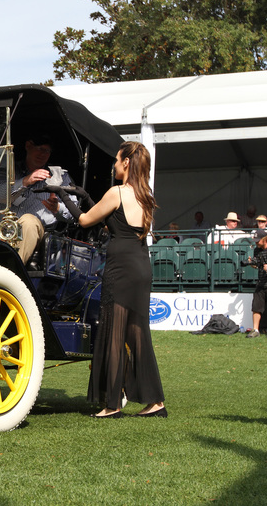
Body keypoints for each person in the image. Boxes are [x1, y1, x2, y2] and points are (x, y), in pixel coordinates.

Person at [49, 141, 165, 418]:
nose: (113, 164)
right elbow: (111, 221)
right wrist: (84, 195)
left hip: (120, 269)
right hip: (140, 268)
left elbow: (87, 220)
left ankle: (112, 404)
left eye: (116, 160)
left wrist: (63, 196)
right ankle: (155, 402)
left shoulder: (117, 192)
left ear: (126, 162)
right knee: (138, 336)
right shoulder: (144, 195)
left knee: (113, 332)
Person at [0, 134, 77, 263]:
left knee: (28, 221)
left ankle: (12, 272)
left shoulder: (60, 176)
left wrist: (57, 208)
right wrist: (25, 181)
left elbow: (74, 213)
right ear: (28, 146)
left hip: (40, 234)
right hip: (5, 230)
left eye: (47, 151)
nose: (43, 154)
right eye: (40, 149)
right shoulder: (9, 169)